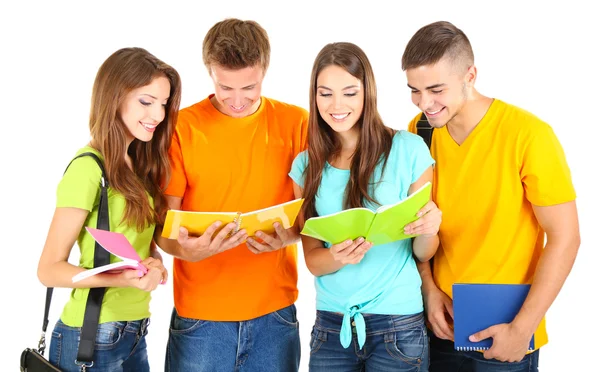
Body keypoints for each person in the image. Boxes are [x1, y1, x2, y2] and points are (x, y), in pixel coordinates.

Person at [402, 21, 581, 371]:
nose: (425, 103)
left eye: (436, 89)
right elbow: (416, 224)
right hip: (436, 324)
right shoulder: (419, 131)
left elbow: (566, 237)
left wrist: (522, 328)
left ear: (470, 75)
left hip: (505, 328)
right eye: (414, 90)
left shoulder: (528, 135)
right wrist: (429, 289)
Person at [154, 18, 308, 372]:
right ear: (209, 71)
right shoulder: (180, 128)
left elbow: (313, 216)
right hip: (200, 321)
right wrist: (186, 250)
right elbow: (164, 226)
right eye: (225, 87)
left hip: (275, 316)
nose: (237, 100)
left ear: (265, 71)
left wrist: (289, 236)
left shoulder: (298, 123)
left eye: (249, 87)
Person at [289, 41, 441, 372]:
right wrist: (336, 256)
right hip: (332, 326)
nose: (336, 104)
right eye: (325, 93)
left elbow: (423, 252)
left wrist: (430, 228)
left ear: (367, 93)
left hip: (398, 325)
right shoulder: (305, 166)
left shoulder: (409, 150)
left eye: (349, 92)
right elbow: (313, 260)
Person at [37, 47, 181, 371]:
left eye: (163, 104)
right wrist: (123, 280)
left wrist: (154, 267)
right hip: (90, 337)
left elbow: (141, 248)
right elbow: (48, 269)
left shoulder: (139, 167)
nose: (157, 115)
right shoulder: (88, 169)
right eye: (146, 102)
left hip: (134, 332)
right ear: (114, 97)